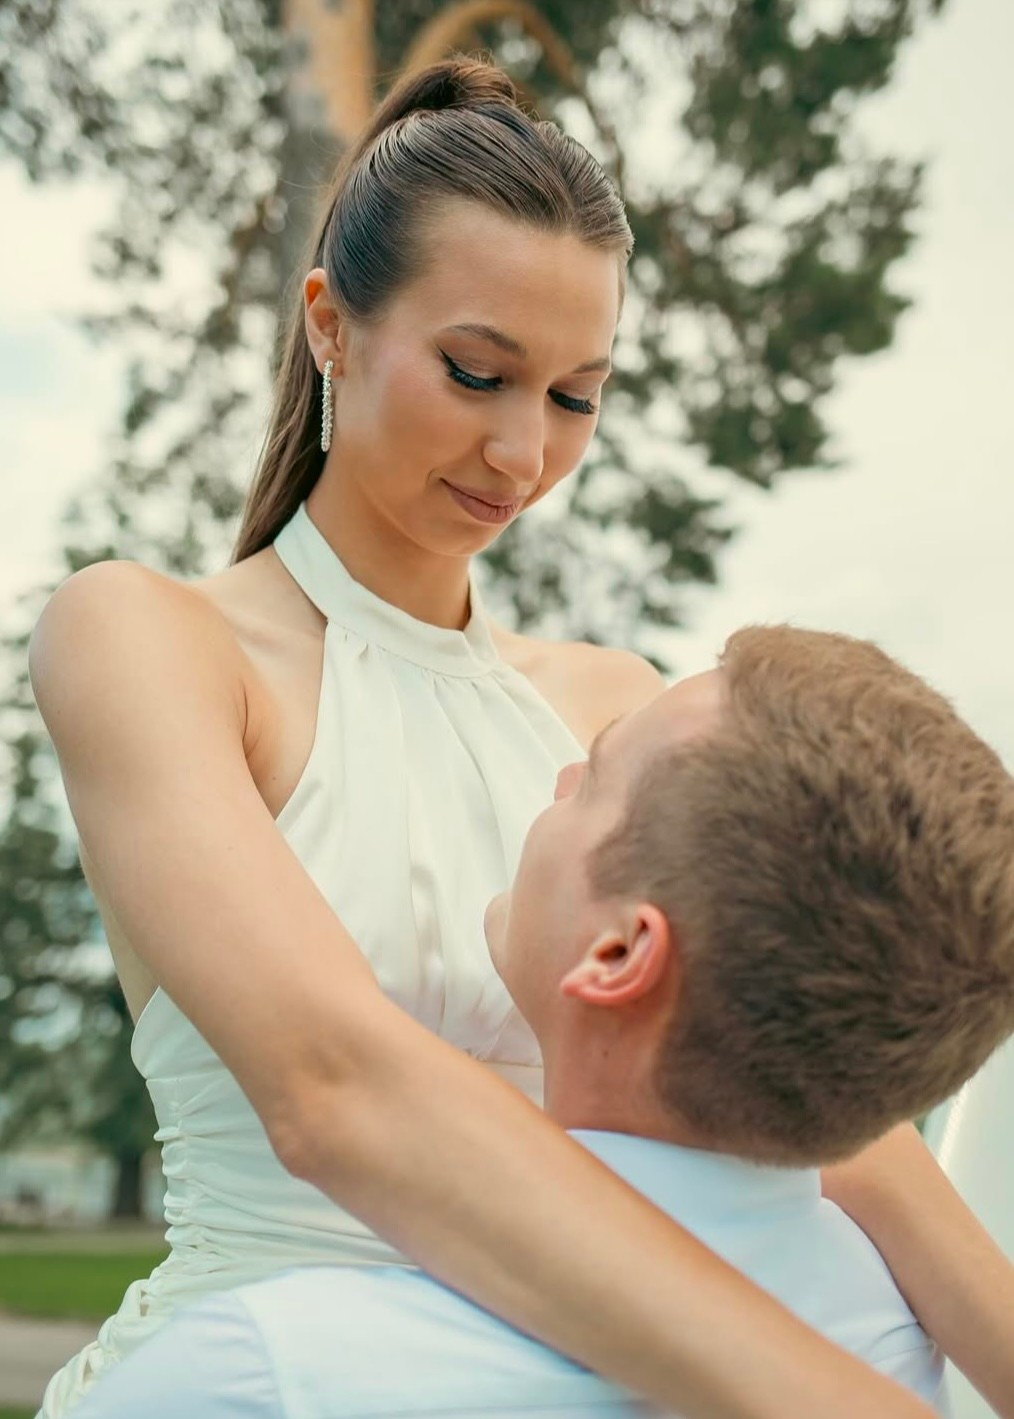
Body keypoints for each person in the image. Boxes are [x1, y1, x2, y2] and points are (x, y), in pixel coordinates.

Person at [25, 54, 986, 1419]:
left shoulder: (616, 701)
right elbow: (332, 1085)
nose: (522, 454)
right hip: (263, 1378)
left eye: (575, 394)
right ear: (330, 326)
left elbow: (846, 1134)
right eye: (477, 372)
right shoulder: (149, 642)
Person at [70, 626, 1014, 1419]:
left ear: (615, 956)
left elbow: (336, 1085)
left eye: (597, 774)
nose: (559, 773)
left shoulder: (266, 1377)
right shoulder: (891, 1318)